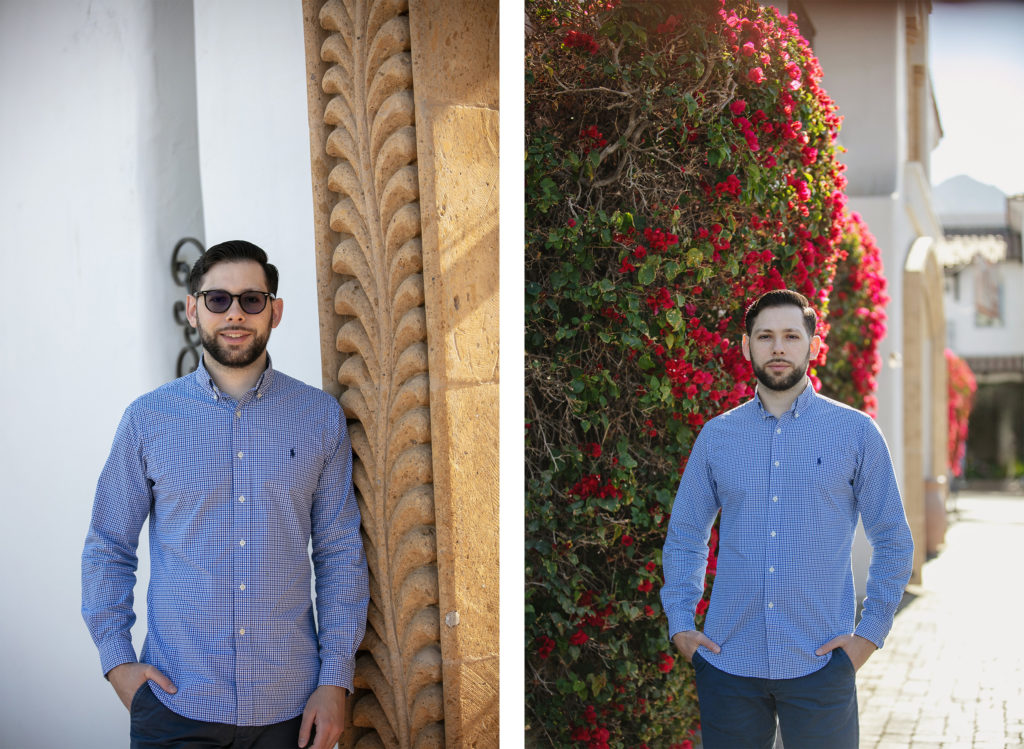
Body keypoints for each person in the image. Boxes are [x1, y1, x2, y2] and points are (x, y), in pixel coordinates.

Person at [82, 240, 369, 749]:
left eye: (251, 300)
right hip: (176, 707)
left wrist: (335, 679)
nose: (235, 313)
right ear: (193, 309)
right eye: (218, 300)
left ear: (274, 312)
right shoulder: (147, 420)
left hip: (291, 709)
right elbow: (108, 545)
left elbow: (339, 552)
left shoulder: (319, 417)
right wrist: (117, 663)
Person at [660, 289, 914, 749]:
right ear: (746, 346)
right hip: (728, 664)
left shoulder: (856, 434)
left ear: (813, 346)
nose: (778, 348)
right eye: (766, 336)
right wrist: (681, 622)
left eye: (791, 336)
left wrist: (868, 637)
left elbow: (894, 539)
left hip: (822, 665)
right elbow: (685, 535)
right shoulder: (718, 437)